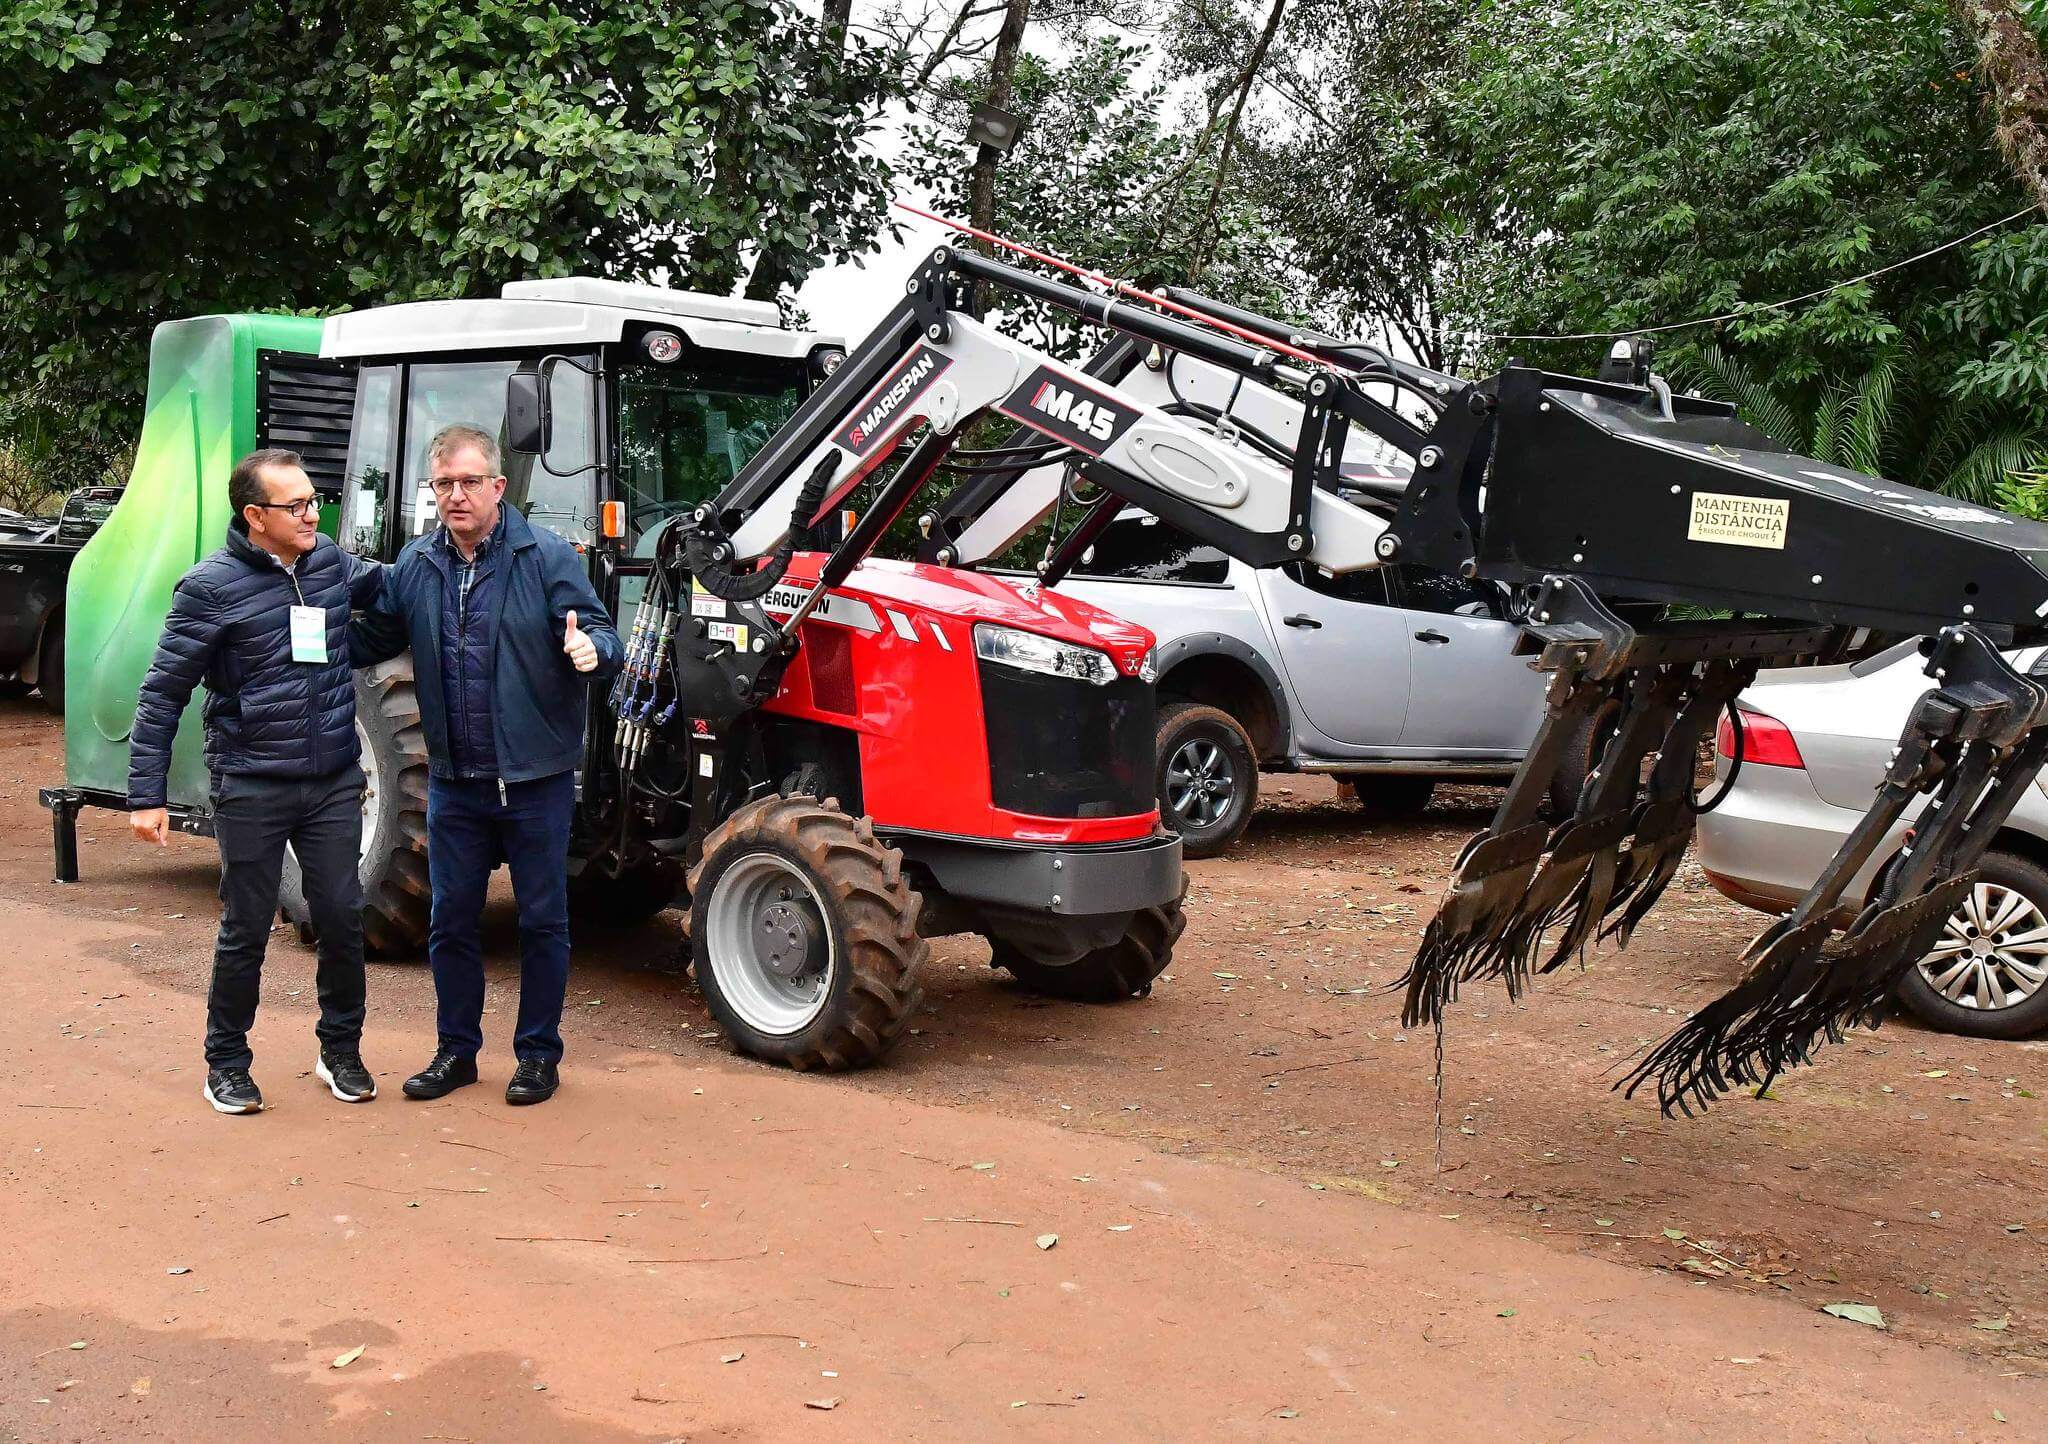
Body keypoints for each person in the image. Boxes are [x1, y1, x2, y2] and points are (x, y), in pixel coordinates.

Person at [353, 423, 622, 1106]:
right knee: (450, 922)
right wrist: (292, 627)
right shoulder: (417, 566)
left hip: (535, 780)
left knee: (541, 921)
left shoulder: (546, 556)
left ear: (498, 487)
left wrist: (592, 648)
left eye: (470, 482)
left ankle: (537, 1057)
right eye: (444, 484)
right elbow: (375, 635)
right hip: (455, 783)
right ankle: (456, 1053)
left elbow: (599, 629)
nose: (457, 495)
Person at [128, 448, 384, 1115]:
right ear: (254, 516)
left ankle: (340, 1050)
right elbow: (162, 695)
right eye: (295, 505)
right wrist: (146, 794)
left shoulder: (328, 562)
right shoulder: (208, 588)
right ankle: (227, 1063)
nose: (312, 514)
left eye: (314, 500)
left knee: (341, 915)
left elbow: (392, 588)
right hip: (251, 782)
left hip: (330, 778)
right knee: (246, 925)